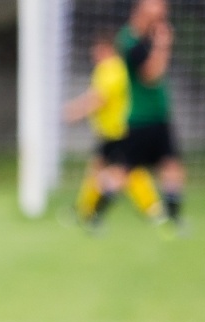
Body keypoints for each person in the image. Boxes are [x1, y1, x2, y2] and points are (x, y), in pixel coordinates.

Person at [117, 0, 184, 232]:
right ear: (142, 9)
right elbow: (151, 75)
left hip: (159, 117)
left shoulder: (149, 37)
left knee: (172, 166)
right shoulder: (130, 41)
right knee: (122, 171)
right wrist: (163, 45)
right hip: (140, 119)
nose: (163, 13)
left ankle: (173, 220)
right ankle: (92, 214)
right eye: (158, 7)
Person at [64, 31, 135, 230]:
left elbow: (100, 99)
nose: (93, 54)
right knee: (99, 171)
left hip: (119, 132)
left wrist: (76, 112)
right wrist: (77, 107)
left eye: (97, 49)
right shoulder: (106, 69)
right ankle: (86, 211)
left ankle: (94, 214)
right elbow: (94, 95)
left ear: (107, 48)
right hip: (110, 132)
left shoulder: (113, 69)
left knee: (121, 175)